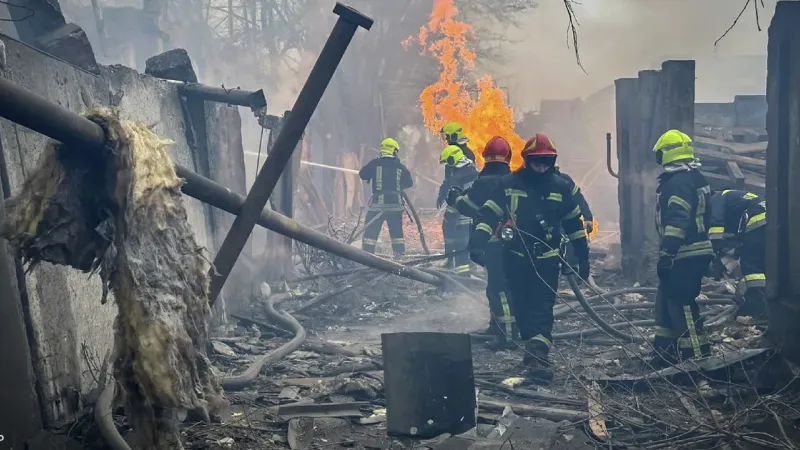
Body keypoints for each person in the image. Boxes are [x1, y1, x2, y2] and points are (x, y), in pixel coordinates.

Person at [469, 133, 590, 383]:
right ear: (526, 160)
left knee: (542, 311)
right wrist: (478, 241)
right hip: (515, 260)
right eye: (537, 162)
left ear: (553, 161)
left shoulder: (560, 187)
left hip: (547, 261)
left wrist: (582, 255)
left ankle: (539, 358)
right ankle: (532, 351)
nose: (541, 167)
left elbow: (573, 224)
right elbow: (489, 214)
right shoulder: (509, 183)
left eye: (546, 162)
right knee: (522, 310)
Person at [650, 129, 714, 368]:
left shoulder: (677, 183)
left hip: (685, 253)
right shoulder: (694, 178)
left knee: (682, 302)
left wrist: (668, 253)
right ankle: (665, 353)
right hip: (691, 252)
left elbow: (677, 220)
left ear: (666, 154)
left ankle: (698, 358)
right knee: (667, 301)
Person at [447, 136, 518, 349]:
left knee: (499, 289)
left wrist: (455, 198)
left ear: (485, 158)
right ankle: (497, 327)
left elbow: (468, 206)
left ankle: (506, 336)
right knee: (506, 287)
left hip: (493, 243)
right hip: (516, 244)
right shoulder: (515, 181)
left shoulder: (484, 182)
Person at [709, 190, 767, 318]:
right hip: (772, 221)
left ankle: (757, 307)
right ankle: (768, 302)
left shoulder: (715, 199)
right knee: (765, 264)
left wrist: (715, 254)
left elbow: (716, 229)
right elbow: (739, 237)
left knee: (752, 268)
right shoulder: (735, 197)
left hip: (757, 222)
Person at [359, 138, 413, 257]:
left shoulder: (374, 164)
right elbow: (409, 183)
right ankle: (400, 259)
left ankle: (367, 258)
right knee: (397, 235)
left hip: (377, 206)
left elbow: (362, 174)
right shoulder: (400, 167)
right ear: (394, 151)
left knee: (370, 235)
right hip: (395, 206)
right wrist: (398, 186)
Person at [437, 144, 478, 275]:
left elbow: (456, 198)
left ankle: (463, 275)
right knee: (455, 237)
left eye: (448, 162)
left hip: (463, 215)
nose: (447, 166)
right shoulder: (464, 170)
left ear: (453, 159)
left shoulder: (463, 174)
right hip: (462, 214)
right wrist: (441, 195)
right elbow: (447, 183)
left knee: (461, 243)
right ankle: (452, 261)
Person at [554, 165, 595, 266]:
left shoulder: (565, 180)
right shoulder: (537, 182)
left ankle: (582, 274)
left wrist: (588, 218)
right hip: (553, 222)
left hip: (572, 220)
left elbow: (579, 198)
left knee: (581, 250)